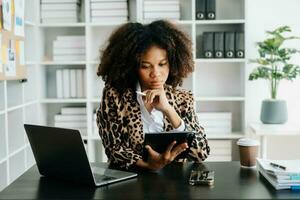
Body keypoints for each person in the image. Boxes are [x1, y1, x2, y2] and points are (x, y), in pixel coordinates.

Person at [96, 20, 210, 171]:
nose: (156, 73)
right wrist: (150, 166)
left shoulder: (183, 99)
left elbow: (201, 153)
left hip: (174, 184)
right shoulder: (115, 96)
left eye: (162, 64)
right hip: (130, 180)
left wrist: (168, 110)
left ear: (173, 62)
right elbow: (114, 149)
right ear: (132, 66)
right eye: (145, 66)